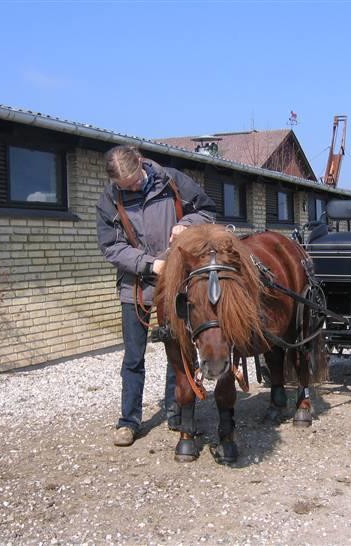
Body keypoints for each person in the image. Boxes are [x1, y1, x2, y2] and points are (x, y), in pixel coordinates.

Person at [96, 145, 216, 446]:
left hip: (177, 282)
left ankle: (176, 410)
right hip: (135, 286)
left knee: (177, 351)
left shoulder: (173, 181)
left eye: (135, 181)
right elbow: (112, 248)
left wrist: (185, 226)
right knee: (133, 357)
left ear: (140, 163)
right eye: (126, 187)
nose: (133, 187)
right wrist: (150, 264)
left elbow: (206, 211)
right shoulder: (109, 200)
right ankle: (128, 420)